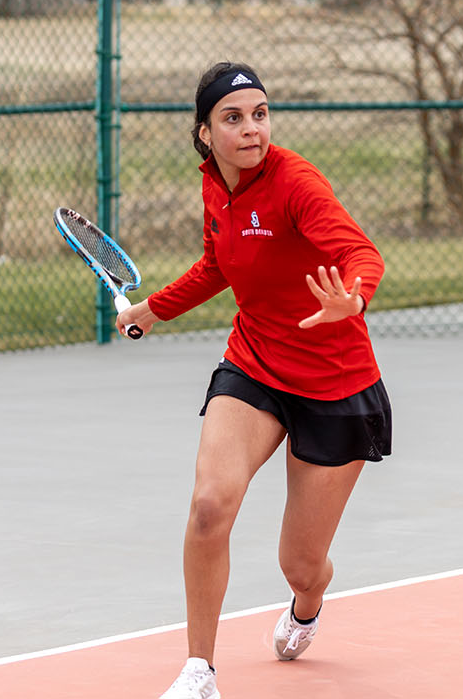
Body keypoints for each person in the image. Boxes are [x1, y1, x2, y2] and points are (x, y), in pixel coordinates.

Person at [116, 61, 392, 699]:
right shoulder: (218, 187)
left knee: (299, 563)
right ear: (206, 133)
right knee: (210, 506)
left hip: (334, 382)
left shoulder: (297, 184)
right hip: (255, 365)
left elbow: (362, 254)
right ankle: (199, 672)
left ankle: (308, 603)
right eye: (234, 118)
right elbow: (219, 262)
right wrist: (152, 310)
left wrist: (354, 297)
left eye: (260, 114)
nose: (252, 129)